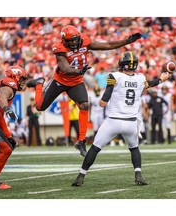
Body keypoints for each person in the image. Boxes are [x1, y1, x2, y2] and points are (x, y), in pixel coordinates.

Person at [26, 25, 142, 157]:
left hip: (76, 82)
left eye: (75, 39)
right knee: (40, 107)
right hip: (60, 81)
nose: (74, 42)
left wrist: (126, 41)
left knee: (85, 105)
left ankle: (81, 141)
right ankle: (39, 83)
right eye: (71, 41)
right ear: (64, 41)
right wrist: (78, 71)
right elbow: (64, 68)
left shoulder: (85, 41)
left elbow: (108, 45)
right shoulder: (59, 48)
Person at [71, 51, 170, 187]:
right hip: (131, 122)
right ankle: (138, 174)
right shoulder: (140, 78)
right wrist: (161, 79)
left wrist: (102, 102)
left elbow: (104, 101)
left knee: (95, 148)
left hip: (114, 121)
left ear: (122, 64)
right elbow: (150, 84)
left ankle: (81, 176)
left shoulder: (115, 76)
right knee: (134, 148)